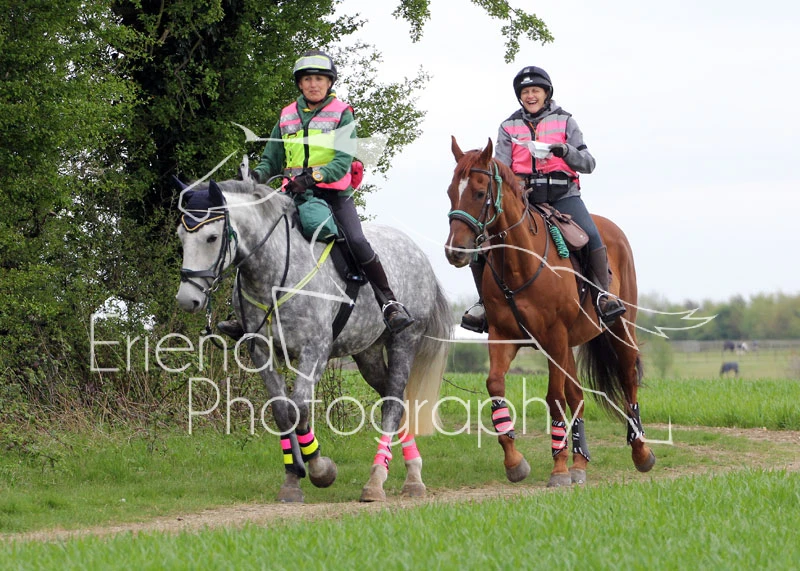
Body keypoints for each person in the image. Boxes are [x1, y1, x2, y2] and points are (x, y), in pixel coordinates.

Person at [217, 50, 413, 340]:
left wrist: (310, 178)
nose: (313, 84)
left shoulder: (342, 114)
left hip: (334, 195)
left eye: (319, 79)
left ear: (329, 82)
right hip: (291, 195)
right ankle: (244, 312)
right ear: (300, 83)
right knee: (256, 236)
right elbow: (271, 159)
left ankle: (389, 302)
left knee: (357, 240)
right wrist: (254, 177)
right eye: (308, 79)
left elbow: (342, 161)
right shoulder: (286, 115)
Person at [461, 65, 626, 332]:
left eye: (535, 90)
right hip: (525, 199)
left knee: (591, 235)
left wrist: (565, 151)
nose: (530, 96)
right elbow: (502, 167)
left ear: (546, 93)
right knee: (482, 244)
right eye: (525, 92)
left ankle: (602, 295)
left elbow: (588, 163)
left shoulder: (566, 121)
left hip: (563, 195)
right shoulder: (508, 126)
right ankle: (484, 303)